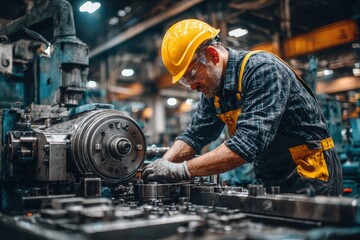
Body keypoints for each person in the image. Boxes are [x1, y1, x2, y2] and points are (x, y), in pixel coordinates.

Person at [142, 19, 343, 196]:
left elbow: (246, 144)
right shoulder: (213, 89)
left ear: (212, 55)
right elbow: (195, 136)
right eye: (186, 82)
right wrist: (161, 165)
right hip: (270, 177)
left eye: (192, 76)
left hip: (310, 174)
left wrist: (181, 170)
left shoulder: (262, 70)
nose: (193, 86)